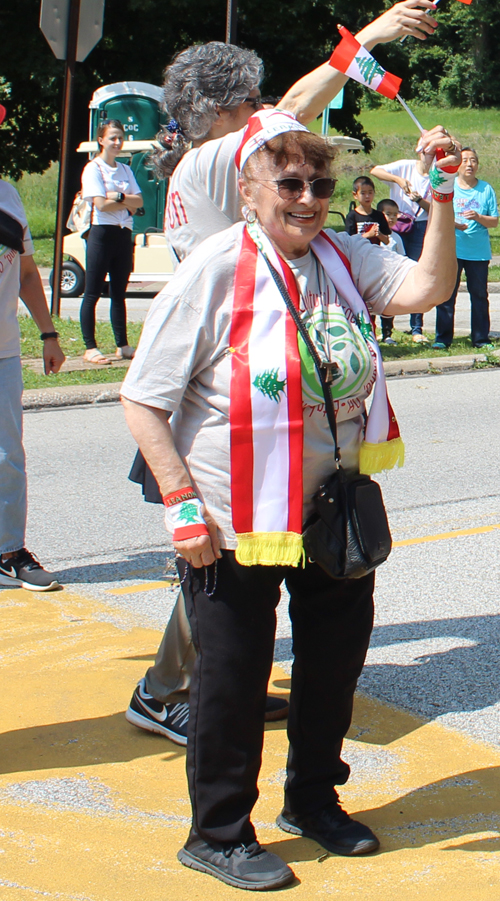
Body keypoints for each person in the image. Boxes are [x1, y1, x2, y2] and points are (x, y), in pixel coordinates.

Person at [121, 108, 461, 890]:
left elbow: (428, 285)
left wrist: (440, 196)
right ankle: (217, 831)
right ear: (250, 191)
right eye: (289, 181)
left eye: (319, 183)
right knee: (233, 680)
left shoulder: (343, 256)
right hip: (234, 520)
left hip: (330, 509)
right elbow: (143, 397)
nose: (307, 197)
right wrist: (180, 503)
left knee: (333, 666)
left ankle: (312, 799)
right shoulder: (214, 268)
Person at [126, 0, 441, 745]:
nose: (264, 110)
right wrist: (365, 40)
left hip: (231, 374)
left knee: (229, 558)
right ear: (227, 112)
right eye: (250, 102)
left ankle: (183, 682)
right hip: (221, 387)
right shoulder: (217, 159)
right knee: (222, 562)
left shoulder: (196, 171)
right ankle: (166, 689)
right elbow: (297, 109)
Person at [0, 104, 66, 591]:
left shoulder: (8, 197)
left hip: (1, 351)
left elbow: (25, 273)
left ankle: (8, 551)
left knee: (6, 456)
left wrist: (48, 333)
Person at [79, 119, 143, 364]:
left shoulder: (125, 170)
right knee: (92, 291)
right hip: (101, 233)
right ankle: (90, 347)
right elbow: (100, 205)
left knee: (119, 292)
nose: (117, 142)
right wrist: (124, 201)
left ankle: (122, 345)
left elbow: (138, 202)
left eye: (120, 137)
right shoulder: (93, 169)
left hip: (122, 233)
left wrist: (118, 196)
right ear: (101, 140)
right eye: (113, 137)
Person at [434, 147, 498, 349]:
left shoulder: (486, 189)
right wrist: (452, 222)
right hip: (452, 250)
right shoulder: (449, 187)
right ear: (457, 165)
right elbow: (437, 215)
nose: (470, 164)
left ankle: (480, 338)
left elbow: (494, 221)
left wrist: (478, 217)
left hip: (478, 253)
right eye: (465, 160)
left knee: (479, 296)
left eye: (474, 160)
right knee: (447, 295)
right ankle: (442, 339)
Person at [370, 146, 432, 342]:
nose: (428, 157)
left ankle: (416, 328)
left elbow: (438, 208)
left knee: (418, 273)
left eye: (434, 154)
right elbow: (375, 170)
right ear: (418, 151)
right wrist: (398, 180)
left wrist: (420, 200)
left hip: (420, 226)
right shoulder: (405, 166)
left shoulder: (438, 176)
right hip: (395, 225)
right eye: (426, 152)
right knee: (388, 274)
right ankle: (386, 329)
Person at [376, 197, 407, 344]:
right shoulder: (373, 235)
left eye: (395, 214)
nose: (392, 217)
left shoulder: (397, 238)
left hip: (391, 279)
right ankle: (369, 332)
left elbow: (402, 258)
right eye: (388, 214)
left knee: (388, 308)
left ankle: (387, 334)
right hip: (374, 277)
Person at [344, 176, 391, 246]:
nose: (367, 196)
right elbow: (349, 241)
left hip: (376, 253)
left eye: (370, 192)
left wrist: (379, 234)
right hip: (358, 254)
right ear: (355, 195)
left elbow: (387, 241)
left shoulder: (379, 215)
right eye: (363, 193)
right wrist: (368, 234)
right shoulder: (352, 216)